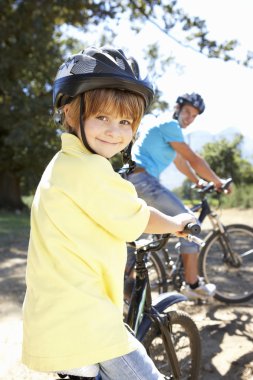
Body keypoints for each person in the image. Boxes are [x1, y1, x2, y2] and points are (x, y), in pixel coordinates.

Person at [22, 47, 197, 380]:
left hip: (56, 317)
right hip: (85, 321)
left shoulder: (64, 164)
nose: (114, 131)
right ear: (72, 115)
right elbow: (139, 217)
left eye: (125, 121)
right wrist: (176, 224)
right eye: (102, 117)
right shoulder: (91, 170)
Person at [128, 92, 231, 300]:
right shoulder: (170, 125)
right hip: (144, 181)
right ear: (178, 108)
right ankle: (192, 284)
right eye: (187, 112)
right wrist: (218, 182)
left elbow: (181, 163)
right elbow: (193, 159)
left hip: (135, 180)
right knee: (189, 222)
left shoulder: (165, 129)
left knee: (137, 234)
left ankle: (125, 280)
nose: (189, 118)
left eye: (194, 116)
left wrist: (198, 182)